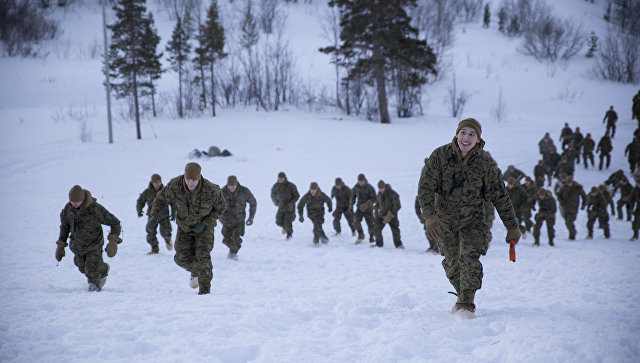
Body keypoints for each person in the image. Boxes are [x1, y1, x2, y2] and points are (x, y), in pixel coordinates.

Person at [418, 118, 520, 315]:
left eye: (472, 134)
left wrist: (512, 226)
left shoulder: (485, 164)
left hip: (472, 220)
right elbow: (425, 187)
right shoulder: (440, 156)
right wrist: (430, 216)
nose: (466, 138)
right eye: (463, 132)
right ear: (457, 134)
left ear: (478, 139)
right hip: (444, 220)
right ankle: (461, 295)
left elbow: (500, 196)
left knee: (470, 259)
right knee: (451, 262)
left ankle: (466, 303)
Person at [147, 162, 226, 295]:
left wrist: (206, 222)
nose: (190, 183)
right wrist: (154, 215)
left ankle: (205, 292)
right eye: (188, 179)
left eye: (194, 180)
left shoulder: (211, 190)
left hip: (204, 229)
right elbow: (160, 198)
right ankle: (197, 272)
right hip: (184, 227)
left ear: (199, 177)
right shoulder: (175, 185)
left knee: (203, 257)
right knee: (180, 259)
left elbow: (221, 208)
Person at [56, 185, 122, 292]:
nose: (75, 204)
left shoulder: (94, 209)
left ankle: (94, 288)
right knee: (82, 267)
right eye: (72, 201)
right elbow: (64, 227)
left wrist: (113, 241)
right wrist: (61, 245)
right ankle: (103, 268)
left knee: (92, 270)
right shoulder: (68, 210)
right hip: (77, 246)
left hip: (94, 245)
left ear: (83, 199)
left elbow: (115, 223)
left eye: (77, 201)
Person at [220, 175, 256, 260]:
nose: (231, 188)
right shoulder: (222, 192)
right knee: (226, 238)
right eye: (230, 186)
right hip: (226, 219)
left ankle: (233, 253)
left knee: (236, 237)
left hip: (239, 219)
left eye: (233, 186)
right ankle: (233, 249)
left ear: (237, 184)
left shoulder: (244, 191)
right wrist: (218, 217)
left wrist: (251, 217)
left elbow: (253, 203)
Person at [136, 173, 173, 255]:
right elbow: (140, 201)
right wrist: (139, 209)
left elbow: (173, 202)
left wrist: (174, 213)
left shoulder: (166, 191)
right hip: (152, 216)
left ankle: (168, 241)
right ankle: (154, 249)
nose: (157, 184)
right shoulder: (147, 192)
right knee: (150, 232)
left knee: (166, 232)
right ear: (152, 183)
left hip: (164, 215)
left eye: (159, 182)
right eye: (155, 182)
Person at [373, 180, 403, 248]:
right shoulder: (379, 194)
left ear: (385, 187)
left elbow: (398, 206)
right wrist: (376, 211)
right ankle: (379, 244)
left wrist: (390, 214)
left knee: (395, 230)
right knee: (376, 228)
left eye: (382, 188)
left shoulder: (393, 194)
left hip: (392, 216)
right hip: (382, 215)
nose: (381, 190)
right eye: (380, 189)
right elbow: (377, 204)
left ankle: (398, 245)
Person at [270, 171, 299, 240]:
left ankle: (289, 234)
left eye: (282, 178)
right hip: (281, 205)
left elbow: (297, 196)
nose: (280, 180)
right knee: (278, 221)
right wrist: (276, 203)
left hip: (290, 206)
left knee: (287, 221)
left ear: (285, 178)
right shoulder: (276, 186)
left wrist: (292, 203)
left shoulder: (291, 185)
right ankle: (285, 228)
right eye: (279, 178)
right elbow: (272, 195)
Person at [557, 175, 587, 240]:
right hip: (565, 208)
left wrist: (583, 205)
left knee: (569, 222)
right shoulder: (563, 188)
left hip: (574, 208)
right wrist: (561, 202)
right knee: (567, 222)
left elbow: (584, 197)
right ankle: (573, 231)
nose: (569, 184)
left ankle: (572, 235)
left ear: (573, 182)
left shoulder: (578, 188)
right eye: (568, 183)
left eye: (570, 183)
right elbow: (559, 195)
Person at [352, 173, 377, 245]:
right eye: (359, 181)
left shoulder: (370, 188)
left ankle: (372, 237)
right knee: (355, 221)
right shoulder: (356, 187)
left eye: (362, 181)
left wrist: (366, 204)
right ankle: (361, 235)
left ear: (364, 180)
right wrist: (351, 204)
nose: (361, 182)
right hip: (359, 208)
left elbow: (374, 199)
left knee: (370, 224)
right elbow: (352, 196)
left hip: (368, 209)